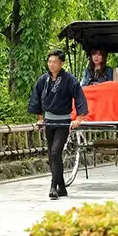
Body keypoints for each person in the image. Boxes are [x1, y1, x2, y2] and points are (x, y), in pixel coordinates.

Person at [28, 48, 88, 200]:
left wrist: (79, 118)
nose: (51, 65)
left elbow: (80, 97)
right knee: (52, 154)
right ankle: (62, 187)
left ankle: (53, 186)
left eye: (55, 62)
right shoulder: (43, 80)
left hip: (63, 122)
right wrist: (40, 117)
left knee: (55, 152)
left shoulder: (69, 80)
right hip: (49, 121)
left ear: (61, 63)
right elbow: (36, 98)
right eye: (49, 62)